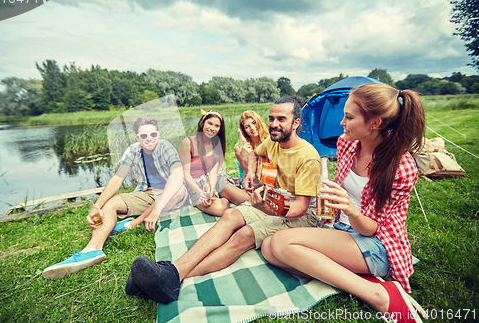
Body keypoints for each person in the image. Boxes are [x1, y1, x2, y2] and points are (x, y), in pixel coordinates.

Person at [124, 96, 321, 304]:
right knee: (230, 215)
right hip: (272, 202)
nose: (273, 124)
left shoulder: (308, 157)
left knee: (243, 235)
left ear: (296, 123)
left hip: (301, 215)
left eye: (281, 119)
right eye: (271, 118)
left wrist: (266, 208)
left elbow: (300, 207)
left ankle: (169, 278)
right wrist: (250, 173)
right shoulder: (272, 143)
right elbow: (254, 154)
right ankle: (169, 274)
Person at [260, 83, 426, 322]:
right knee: (269, 248)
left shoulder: (401, 166)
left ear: (374, 123)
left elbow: (373, 228)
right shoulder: (346, 143)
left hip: (378, 243)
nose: (341, 123)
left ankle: (379, 295)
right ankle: (353, 277)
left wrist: (350, 209)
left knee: (282, 243)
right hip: (344, 230)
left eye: (348, 117)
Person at [43, 117, 187, 280]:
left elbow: (177, 174)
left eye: (153, 134)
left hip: (171, 192)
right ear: (137, 137)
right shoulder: (133, 151)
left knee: (180, 189)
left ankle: (133, 223)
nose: (149, 138)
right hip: (146, 193)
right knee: (110, 203)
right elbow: (117, 179)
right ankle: (92, 250)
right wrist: (97, 205)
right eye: (144, 136)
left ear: (158, 134)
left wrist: (157, 210)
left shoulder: (165, 146)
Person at [179, 109, 248, 216]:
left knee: (247, 200)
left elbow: (213, 173)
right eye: (210, 123)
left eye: (217, 126)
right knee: (219, 209)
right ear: (202, 123)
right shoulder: (188, 142)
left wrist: (210, 193)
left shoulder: (216, 144)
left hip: (214, 181)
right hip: (194, 185)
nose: (212, 128)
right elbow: (186, 174)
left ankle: (222, 196)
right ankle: (225, 200)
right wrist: (201, 193)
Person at [234, 110, 269, 186]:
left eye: (254, 123)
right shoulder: (239, 147)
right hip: (248, 182)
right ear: (244, 130)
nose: (252, 128)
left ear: (259, 122)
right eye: (247, 127)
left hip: (266, 179)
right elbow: (247, 175)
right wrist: (244, 158)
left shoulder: (269, 141)